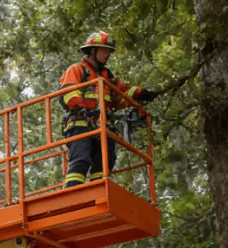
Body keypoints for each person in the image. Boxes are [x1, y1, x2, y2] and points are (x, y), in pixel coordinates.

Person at [59, 31, 158, 189]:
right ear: (93, 50)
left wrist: (142, 94)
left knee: (104, 164)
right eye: (104, 50)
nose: (107, 55)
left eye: (109, 52)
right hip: (81, 124)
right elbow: (68, 96)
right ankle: (71, 196)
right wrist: (89, 108)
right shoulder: (77, 70)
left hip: (103, 128)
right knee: (81, 161)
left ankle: (99, 193)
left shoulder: (107, 78)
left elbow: (122, 94)